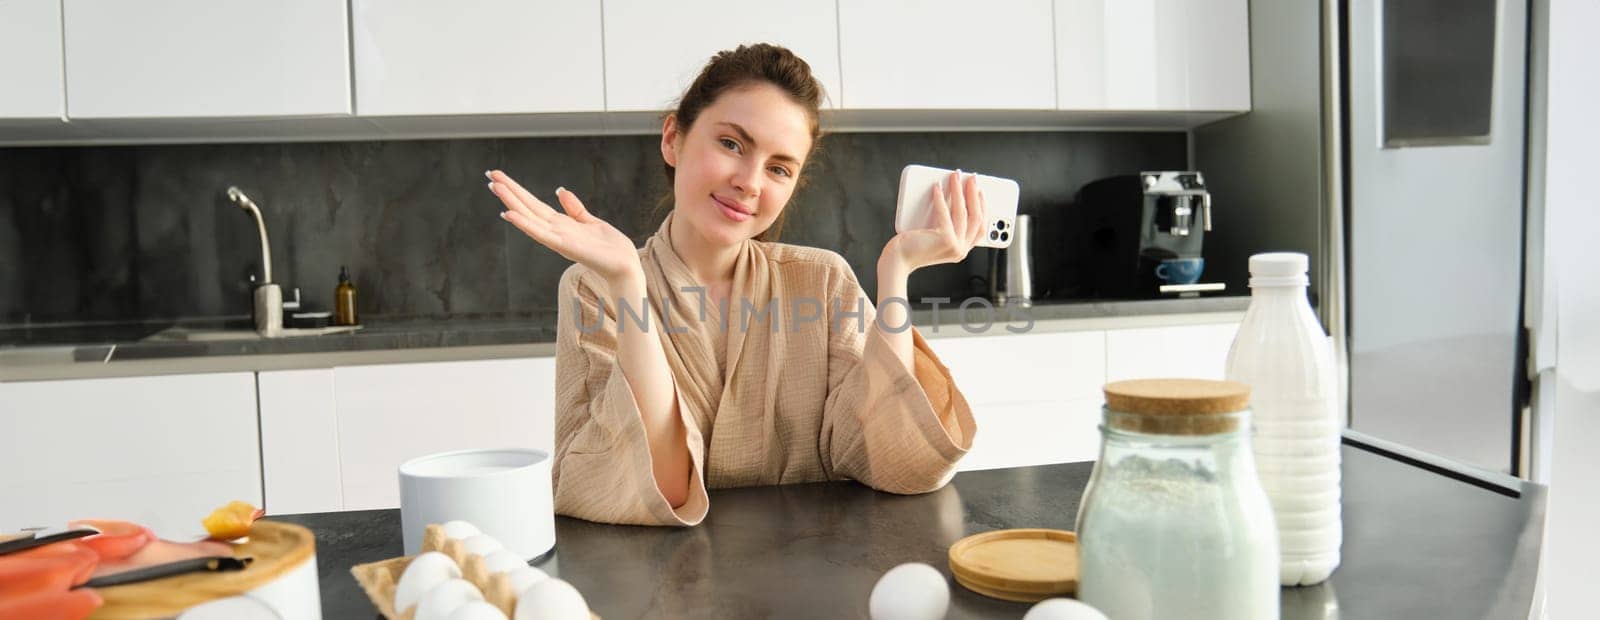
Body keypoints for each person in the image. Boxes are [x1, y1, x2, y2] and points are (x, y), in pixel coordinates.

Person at [485, 43, 985, 526]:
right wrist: (627, 281)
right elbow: (659, 488)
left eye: (779, 168)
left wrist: (896, 272)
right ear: (672, 139)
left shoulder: (823, 280)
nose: (750, 181)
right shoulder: (595, 288)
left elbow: (894, 459)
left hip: (817, 578)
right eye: (731, 144)